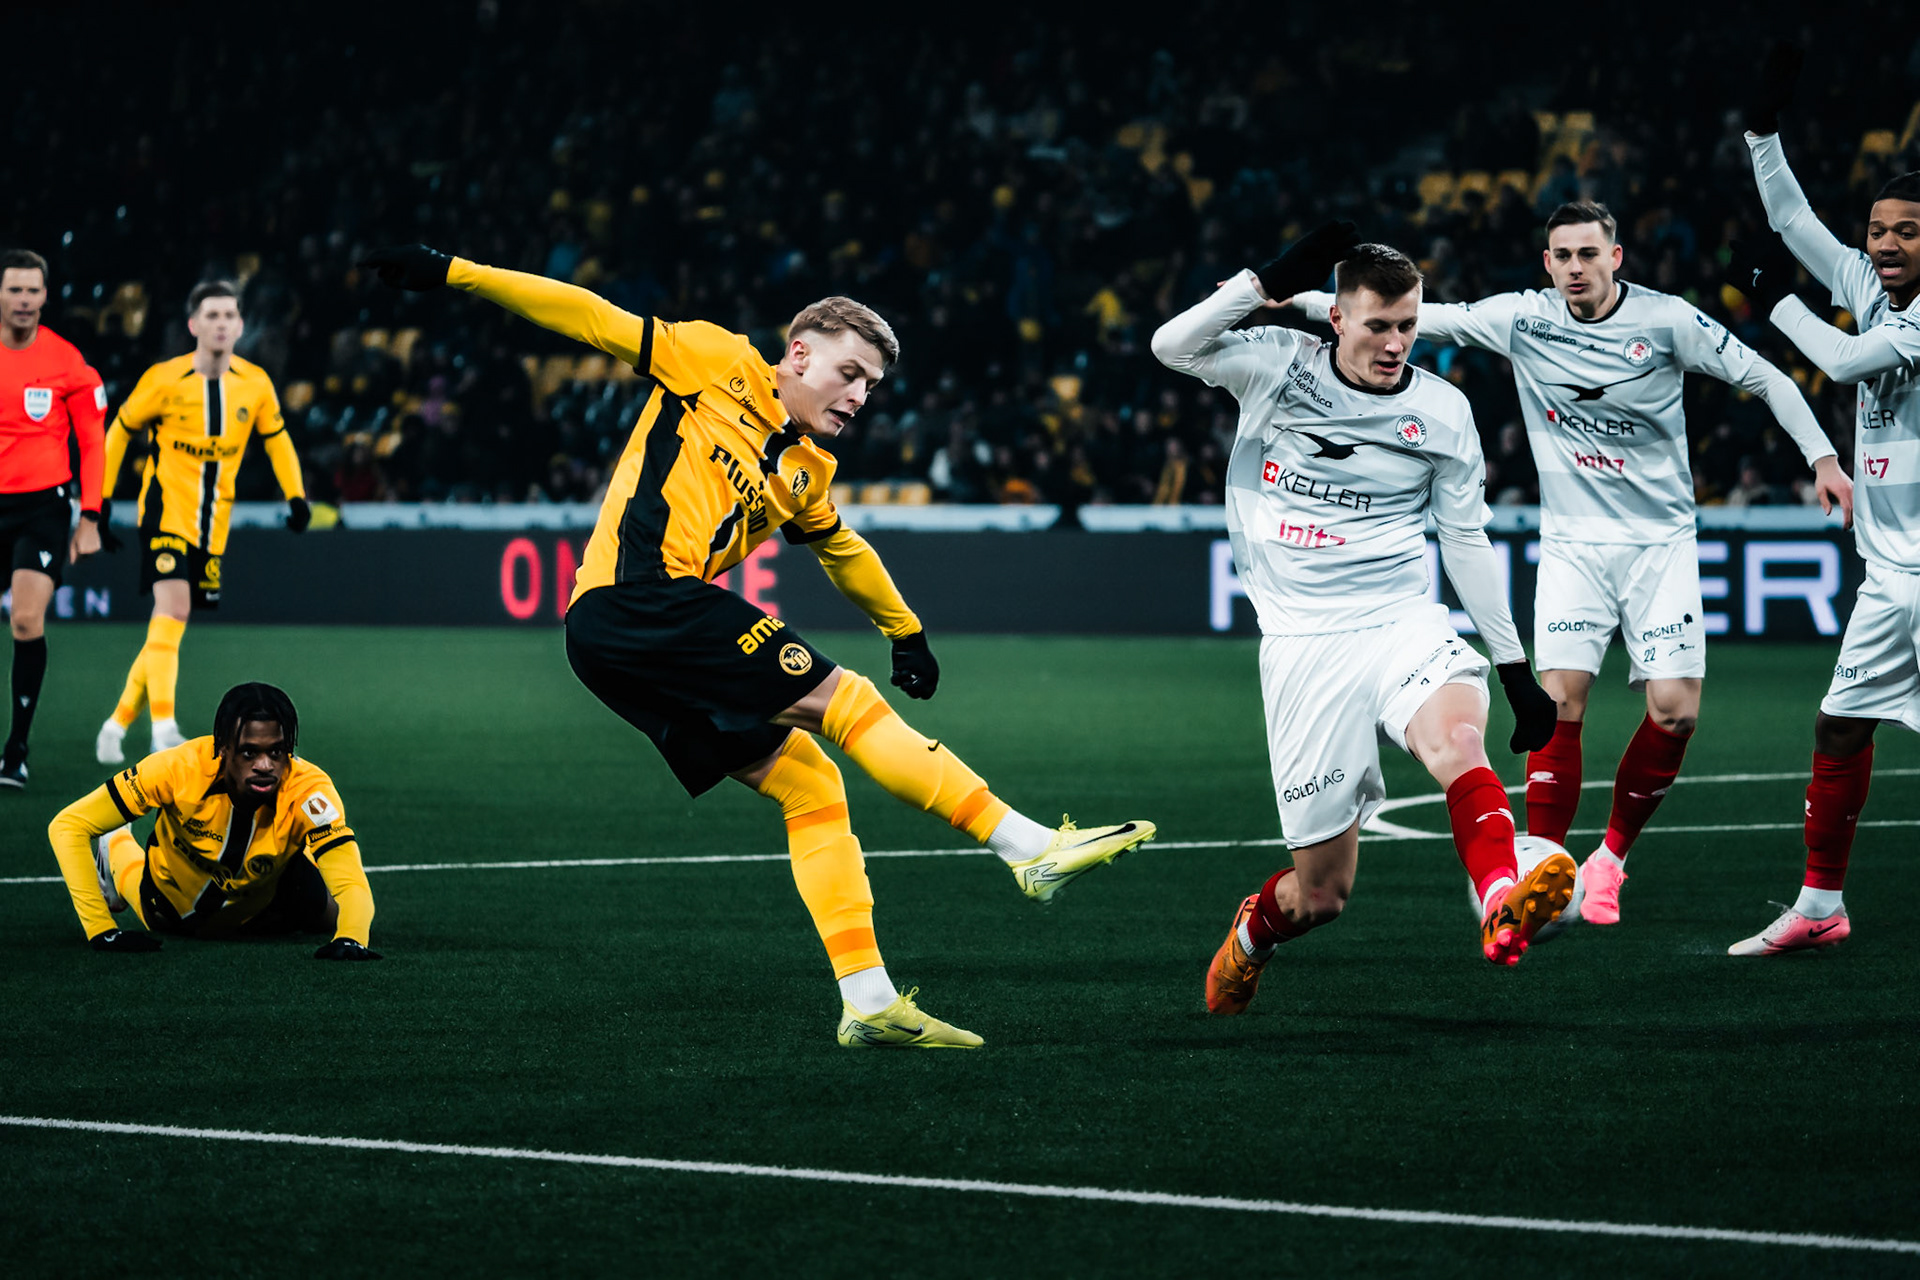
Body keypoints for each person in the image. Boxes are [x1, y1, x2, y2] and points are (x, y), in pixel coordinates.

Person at [361, 243, 1155, 1047]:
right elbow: (593, 318)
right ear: (800, 352)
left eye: (873, 387)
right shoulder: (712, 360)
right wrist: (457, 272)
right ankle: (1026, 847)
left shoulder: (807, 469)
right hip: (636, 600)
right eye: (849, 373)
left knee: (811, 786)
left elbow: (843, 549)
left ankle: (869, 1000)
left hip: (622, 640)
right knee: (846, 704)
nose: (860, 396)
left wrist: (905, 629)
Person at [1285, 203, 1849, 926]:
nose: (1576, 266)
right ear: (1547, 264)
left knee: (1676, 715)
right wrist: (1294, 301)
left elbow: (1767, 378)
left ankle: (1609, 859)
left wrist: (1823, 458)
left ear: (1617, 258)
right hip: (1573, 546)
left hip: (1660, 543)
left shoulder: (1668, 321)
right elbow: (1431, 316)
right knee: (1559, 706)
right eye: (1562, 255)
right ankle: (1540, 870)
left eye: (1589, 253)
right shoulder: (1523, 319)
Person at [1151, 226, 1567, 1015]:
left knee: (1458, 741)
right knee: (1322, 895)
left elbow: (1465, 539)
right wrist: (1264, 279)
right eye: (1378, 324)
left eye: (1408, 325)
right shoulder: (1277, 363)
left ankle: (1500, 897)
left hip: (1400, 618)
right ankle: (1253, 935)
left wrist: (1515, 667)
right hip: (1306, 645)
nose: (1396, 342)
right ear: (1336, 317)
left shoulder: (1443, 411)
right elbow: (1171, 345)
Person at [1722, 44, 1918, 954]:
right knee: (1839, 728)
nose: (1885, 244)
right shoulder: (1870, 289)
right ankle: (1820, 905)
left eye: (1907, 231)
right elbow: (1794, 219)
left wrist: (1775, 304)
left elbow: (1838, 362)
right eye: (1879, 229)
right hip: (1891, 574)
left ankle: (1820, 904)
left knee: (1843, 728)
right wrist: (1763, 133)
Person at [93, 282, 311, 765]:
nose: (220, 323)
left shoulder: (254, 384)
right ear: (193, 325)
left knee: (166, 626)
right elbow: (119, 432)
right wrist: (100, 499)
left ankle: (116, 723)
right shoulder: (164, 380)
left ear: (239, 325)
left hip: (213, 527)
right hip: (165, 513)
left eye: (229, 315)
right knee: (173, 609)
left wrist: (295, 494)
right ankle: (163, 728)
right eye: (211, 314)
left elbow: (277, 439)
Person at [48, 681, 380, 959]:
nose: (265, 765)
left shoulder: (309, 789)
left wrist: (351, 937)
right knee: (162, 918)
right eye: (250, 752)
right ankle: (117, 844)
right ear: (222, 748)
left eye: (276, 752)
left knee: (333, 918)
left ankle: (302, 855)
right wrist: (102, 931)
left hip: (263, 899)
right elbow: (68, 826)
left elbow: (351, 880)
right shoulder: (176, 769)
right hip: (170, 899)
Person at [0, 248, 107, 787]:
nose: (23, 300)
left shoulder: (67, 361)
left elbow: (92, 441)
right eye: (14, 289)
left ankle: (16, 747)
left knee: (25, 620)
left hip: (42, 506)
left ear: (45, 296)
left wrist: (90, 516)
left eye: (32, 290)